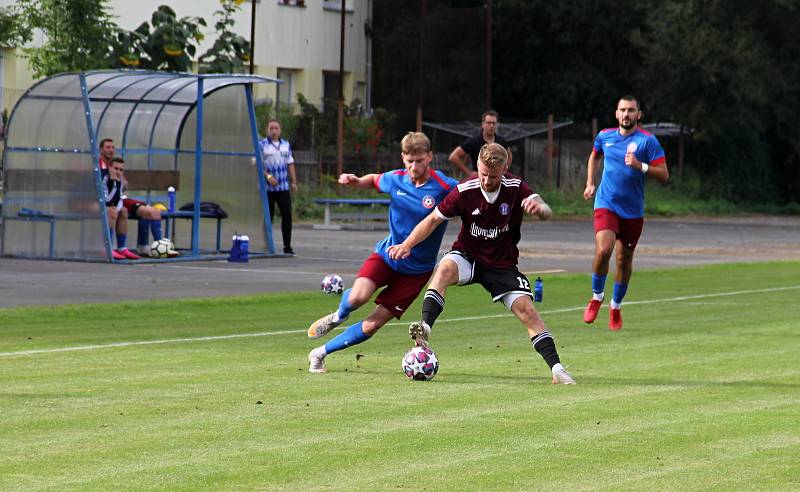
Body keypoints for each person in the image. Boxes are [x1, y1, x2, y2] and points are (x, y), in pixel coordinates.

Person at [388, 143, 576, 385]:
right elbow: (433, 219)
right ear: (477, 165)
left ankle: (557, 369)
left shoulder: (516, 187)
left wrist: (540, 208)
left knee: (527, 311)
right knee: (443, 269)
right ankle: (425, 327)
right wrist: (407, 245)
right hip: (468, 256)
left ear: (505, 168)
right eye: (483, 174)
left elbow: (545, 208)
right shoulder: (464, 190)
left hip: (502, 264)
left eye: (493, 176)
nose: (487, 181)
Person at [306, 132, 458, 373]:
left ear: (430, 157)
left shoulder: (444, 186)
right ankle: (338, 316)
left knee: (372, 325)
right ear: (403, 158)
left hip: (417, 271)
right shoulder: (395, 179)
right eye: (409, 161)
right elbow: (375, 180)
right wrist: (356, 181)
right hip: (387, 255)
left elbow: (470, 195)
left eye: (419, 160)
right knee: (357, 297)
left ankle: (320, 353)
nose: (414, 166)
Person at [582, 95, 669, 330]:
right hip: (606, 203)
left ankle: (616, 305)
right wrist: (590, 182)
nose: (627, 114)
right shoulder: (605, 136)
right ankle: (597, 297)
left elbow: (664, 174)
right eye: (623, 110)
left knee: (623, 259)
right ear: (616, 113)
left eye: (631, 110)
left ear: (638, 114)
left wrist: (641, 166)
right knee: (604, 250)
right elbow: (595, 155)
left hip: (632, 211)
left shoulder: (647, 142)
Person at [260, 118, 297, 255]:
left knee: (287, 214)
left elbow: (290, 163)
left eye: (276, 128)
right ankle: (266, 245)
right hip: (267, 188)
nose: (274, 131)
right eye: (271, 128)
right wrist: (268, 177)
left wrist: (293, 181)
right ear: (267, 130)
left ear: (280, 130)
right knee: (268, 216)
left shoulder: (285, 145)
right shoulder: (262, 145)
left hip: (282, 187)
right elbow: (257, 163)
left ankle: (287, 245)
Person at [448, 110, 513, 175]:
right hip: (478, 179)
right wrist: (469, 173)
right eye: (489, 123)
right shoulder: (474, 141)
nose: (491, 126)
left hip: (497, 179)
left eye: (494, 123)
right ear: (483, 124)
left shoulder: (501, 141)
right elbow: (453, 157)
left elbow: (509, 155)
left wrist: (504, 170)